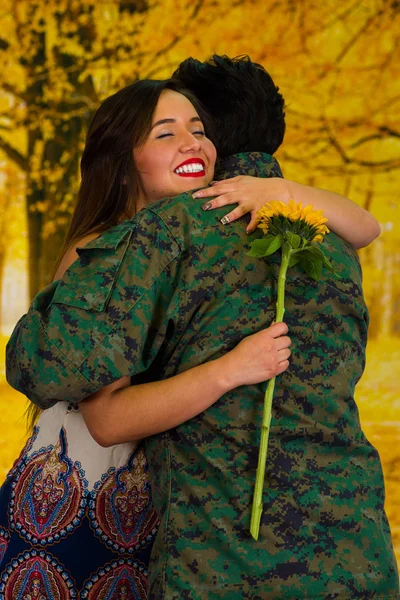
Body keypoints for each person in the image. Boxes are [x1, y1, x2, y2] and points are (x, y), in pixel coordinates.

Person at [6, 53, 397, 599]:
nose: (190, 143)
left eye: (197, 128)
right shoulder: (331, 240)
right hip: (351, 548)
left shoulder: (180, 229)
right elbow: (99, 411)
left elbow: (53, 365)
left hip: (200, 546)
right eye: (167, 131)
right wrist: (229, 369)